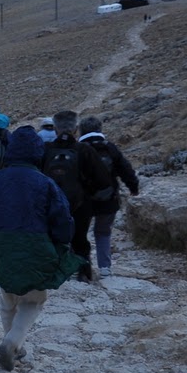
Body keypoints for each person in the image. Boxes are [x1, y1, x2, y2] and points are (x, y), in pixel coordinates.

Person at [0, 125, 85, 371]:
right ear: (37, 153)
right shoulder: (46, 183)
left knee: (8, 298)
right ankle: (12, 342)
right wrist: (62, 243)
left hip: (1, 247)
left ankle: (11, 343)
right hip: (37, 245)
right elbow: (62, 219)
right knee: (34, 299)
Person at [42, 110, 114, 283]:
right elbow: (103, 179)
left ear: (55, 129)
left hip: (52, 203)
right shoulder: (84, 150)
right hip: (81, 203)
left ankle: (55, 270)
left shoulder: (46, 150)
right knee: (80, 238)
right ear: (75, 129)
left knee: (53, 236)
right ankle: (83, 272)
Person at [78, 116, 141, 278]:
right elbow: (125, 169)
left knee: (80, 233)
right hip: (108, 198)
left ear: (81, 130)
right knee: (103, 232)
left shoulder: (78, 149)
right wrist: (133, 187)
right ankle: (105, 268)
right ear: (100, 129)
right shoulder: (110, 148)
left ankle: (81, 267)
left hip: (83, 200)